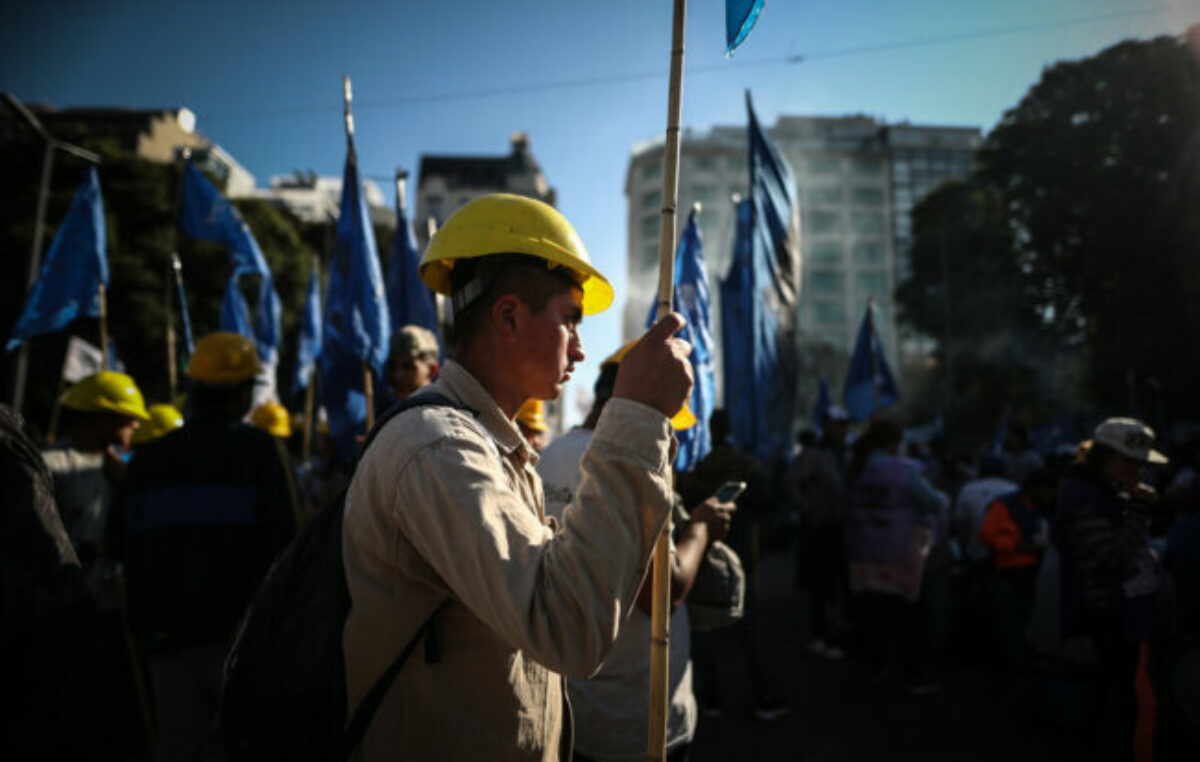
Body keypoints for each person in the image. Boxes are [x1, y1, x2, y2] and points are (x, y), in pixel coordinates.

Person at [340, 193, 693, 760]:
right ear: (507, 316)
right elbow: (568, 627)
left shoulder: (488, 443)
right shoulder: (437, 446)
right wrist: (637, 418)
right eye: (570, 320)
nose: (580, 346)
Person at [110, 332, 300, 762]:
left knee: (180, 747)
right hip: (244, 645)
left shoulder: (147, 461)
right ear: (243, 393)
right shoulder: (263, 453)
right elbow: (290, 549)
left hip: (166, 643)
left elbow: (119, 552)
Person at [537, 347, 730, 762]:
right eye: (665, 418)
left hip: (577, 701)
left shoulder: (549, 456)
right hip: (635, 717)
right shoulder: (633, 469)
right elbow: (663, 593)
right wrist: (701, 527)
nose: (668, 434)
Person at [1053, 417, 1166, 761]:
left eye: (1140, 464)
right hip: (1102, 616)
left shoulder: (1105, 493)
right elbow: (1110, 557)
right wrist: (1139, 511)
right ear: (1107, 459)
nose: (1138, 471)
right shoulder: (1086, 498)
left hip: (1117, 614)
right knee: (1111, 704)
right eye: (1130, 462)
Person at [844, 420, 949, 694]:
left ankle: (878, 667)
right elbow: (933, 502)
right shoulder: (904, 470)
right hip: (899, 553)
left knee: (875, 613)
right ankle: (913, 674)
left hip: (864, 553)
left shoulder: (856, 469)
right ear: (893, 443)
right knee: (907, 614)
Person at [784, 405, 851, 659]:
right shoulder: (815, 455)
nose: (843, 430)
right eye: (839, 425)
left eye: (845, 425)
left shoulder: (845, 453)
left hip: (841, 528)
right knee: (820, 585)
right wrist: (808, 509)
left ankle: (836, 635)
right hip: (820, 528)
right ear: (828, 426)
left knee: (837, 583)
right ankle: (819, 636)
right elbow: (790, 482)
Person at [386, 323, 440, 401]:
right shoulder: (389, 410)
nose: (397, 375)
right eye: (392, 366)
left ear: (432, 370)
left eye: (409, 367)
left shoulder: (443, 411)